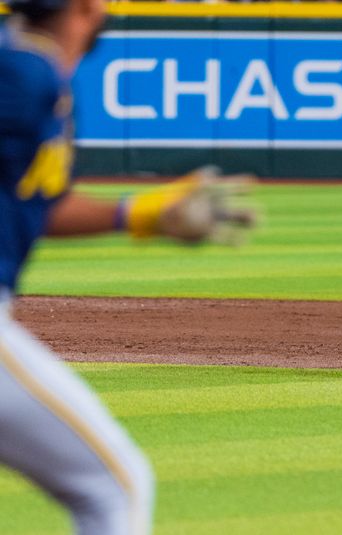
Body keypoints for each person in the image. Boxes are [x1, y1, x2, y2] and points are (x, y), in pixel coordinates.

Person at [0, 0, 253, 533]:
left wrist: (140, 213)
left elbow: (37, 204)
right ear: (87, 7)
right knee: (114, 489)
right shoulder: (22, 71)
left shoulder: (29, 65)